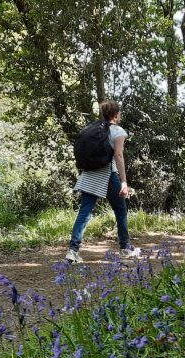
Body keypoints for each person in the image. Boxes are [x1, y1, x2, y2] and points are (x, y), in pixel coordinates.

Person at [65, 100, 138, 264]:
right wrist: (124, 182)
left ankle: (72, 251)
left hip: (89, 175)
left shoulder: (94, 129)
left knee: (84, 212)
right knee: (120, 209)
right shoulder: (118, 131)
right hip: (107, 174)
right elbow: (118, 156)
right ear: (116, 115)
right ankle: (125, 247)